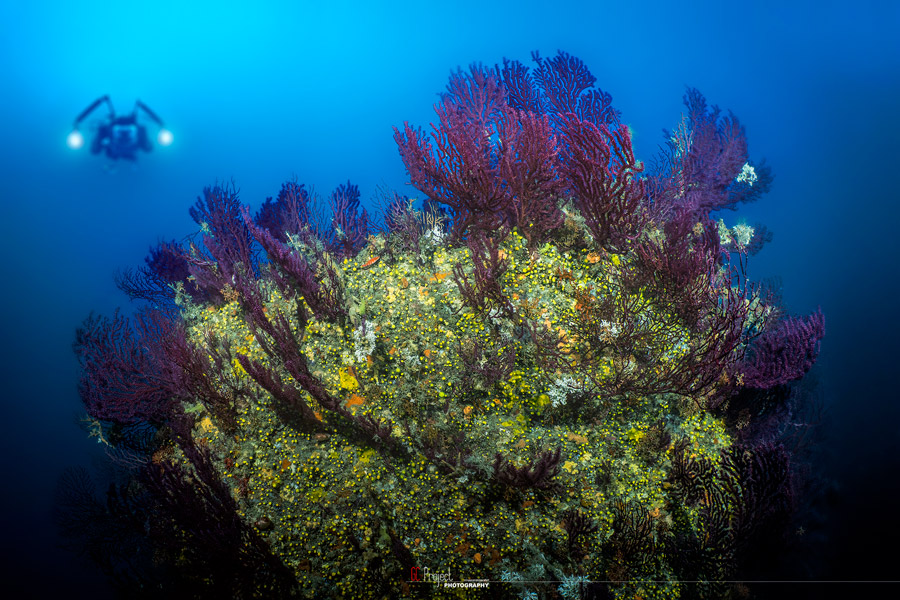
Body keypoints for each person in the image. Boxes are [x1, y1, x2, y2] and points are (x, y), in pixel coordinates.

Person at [67, 95, 172, 161]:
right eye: (119, 132)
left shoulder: (140, 135)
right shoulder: (105, 133)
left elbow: (149, 149)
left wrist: (144, 134)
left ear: (136, 131)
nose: (124, 136)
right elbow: (94, 151)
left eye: (129, 132)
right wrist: (100, 134)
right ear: (111, 131)